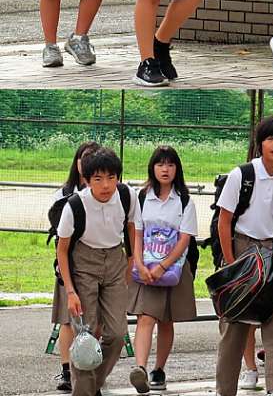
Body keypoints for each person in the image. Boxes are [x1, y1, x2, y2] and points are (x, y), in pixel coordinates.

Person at [215, 116, 273, 396]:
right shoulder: (242, 175)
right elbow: (224, 221)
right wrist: (231, 264)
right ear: (260, 143)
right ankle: (224, 391)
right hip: (242, 250)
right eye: (270, 139)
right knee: (234, 330)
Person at [56, 147, 138, 396]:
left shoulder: (127, 196)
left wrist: (131, 261)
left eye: (111, 177)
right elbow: (62, 250)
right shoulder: (75, 205)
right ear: (87, 180)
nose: (106, 185)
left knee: (117, 333)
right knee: (86, 335)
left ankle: (92, 385)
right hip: (84, 262)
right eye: (98, 179)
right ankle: (85, 391)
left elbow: (131, 227)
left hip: (115, 259)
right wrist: (71, 292)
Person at [128, 146, 198, 395]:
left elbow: (185, 239)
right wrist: (139, 263)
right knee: (145, 317)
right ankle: (140, 368)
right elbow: (137, 233)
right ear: (152, 168)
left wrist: (163, 266)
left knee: (166, 320)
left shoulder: (185, 201)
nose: (165, 169)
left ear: (177, 168)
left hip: (172, 269)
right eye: (160, 164)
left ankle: (159, 369)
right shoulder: (142, 197)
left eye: (170, 164)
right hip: (146, 268)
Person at [50, 141, 100, 392]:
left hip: (97, 265)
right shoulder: (64, 194)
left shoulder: (108, 193)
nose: (87, 161)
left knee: (94, 320)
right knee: (67, 320)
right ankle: (67, 371)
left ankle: (89, 369)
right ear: (77, 162)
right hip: (69, 264)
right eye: (83, 157)